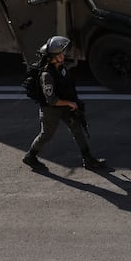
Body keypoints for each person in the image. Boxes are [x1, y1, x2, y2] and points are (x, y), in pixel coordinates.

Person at [22, 36, 106, 170]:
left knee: (77, 129)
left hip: (65, 105)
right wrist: (70, 103)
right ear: (51, 58)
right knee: (46, 135)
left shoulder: (61, 68)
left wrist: (73, 102)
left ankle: (88, 159)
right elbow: (52, 100)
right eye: (59, 54)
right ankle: (30, 156)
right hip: (51, 110)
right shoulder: (47, 75)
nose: (62, 55)